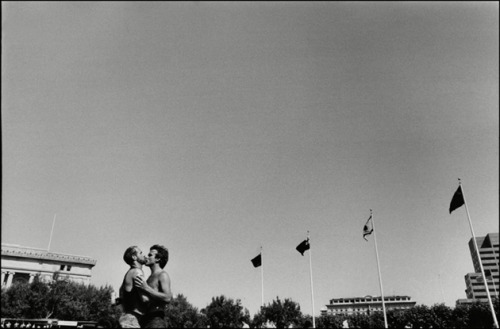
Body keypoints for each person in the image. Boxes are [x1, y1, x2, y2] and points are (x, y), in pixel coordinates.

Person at [134, 244, 173, 328]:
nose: (146, 257)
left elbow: (167, 297)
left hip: (156, 319)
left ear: (158, 259)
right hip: (145, 320)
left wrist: (146, 288)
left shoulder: (162, 274)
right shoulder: (149, 278)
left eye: (150, 255)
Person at [119, 246, 148, 328]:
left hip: (128, 318)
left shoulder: (130, 272)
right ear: (134, 257)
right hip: (132, 320)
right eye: (141, 253)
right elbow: (145, 298)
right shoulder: (137, 272)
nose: (144, 255)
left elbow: (120, 292)